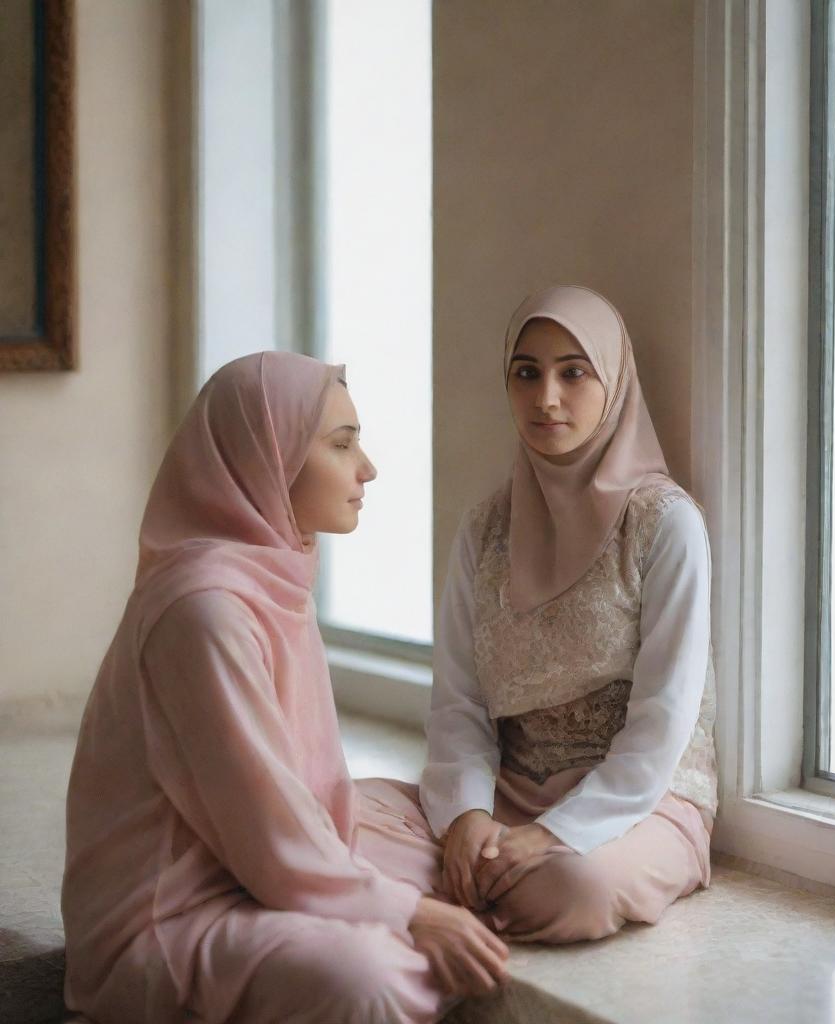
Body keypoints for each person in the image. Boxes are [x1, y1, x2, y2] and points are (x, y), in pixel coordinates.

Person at [61, 352, 508, 1024]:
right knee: (370, 978)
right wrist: (410, 914)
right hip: (176, 914)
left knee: (431, 827)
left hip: (248, 864)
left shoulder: (271, 568)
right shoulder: (204, 609)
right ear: (265, 458)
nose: (368, 469)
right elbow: (267, 828)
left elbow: (298, 797)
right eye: (342, 444)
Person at [420, 285, 717, 944]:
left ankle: (442, 897)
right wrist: (468, 817)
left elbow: (665, 721)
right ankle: (462, 882)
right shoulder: (485, 530)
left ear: (614, 382)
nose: (545, 397)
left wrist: (555, 834)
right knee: (343, 822)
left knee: (573, 887)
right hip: (506, 794)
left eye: (573, 372)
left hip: (641, 805)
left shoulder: (666, 525)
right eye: (526, 373)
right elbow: (457, 703)